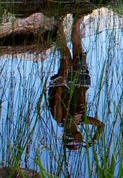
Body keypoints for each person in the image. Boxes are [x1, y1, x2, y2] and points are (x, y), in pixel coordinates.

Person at [47, 12, 103, 150]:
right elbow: (101, 125)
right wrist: (93, 140)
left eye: (78, 140)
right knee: (78, 49)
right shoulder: (80, 120)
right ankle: (76, 18)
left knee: (65, 54)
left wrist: (63, 80)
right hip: (81, 83)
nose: (81, 138)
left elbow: (58, 96)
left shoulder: (60, 119)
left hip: (66, 84)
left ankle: (59, 21)